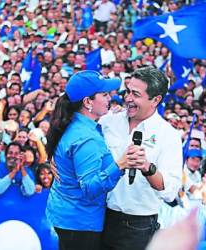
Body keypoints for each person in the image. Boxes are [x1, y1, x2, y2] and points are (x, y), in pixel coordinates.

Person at [45, 70, 144, 250]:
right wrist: (121, 164)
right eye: (104, 95)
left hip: (67, 217)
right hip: (80, 224)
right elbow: (90, 188)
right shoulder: (86, 138)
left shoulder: (73, 123)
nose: (110, 99)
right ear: (87, 102)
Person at [100, 66, 182, 250]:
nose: (128, 98)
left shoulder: (168, 135)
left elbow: (169, 190)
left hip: (138, 227)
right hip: (99, 217)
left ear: (155, 100)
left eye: (135, 94)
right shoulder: (108, 122)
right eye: (128, 91)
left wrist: (147, 167)